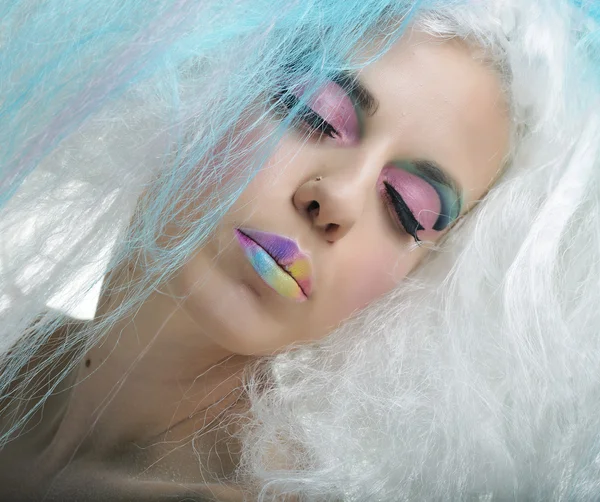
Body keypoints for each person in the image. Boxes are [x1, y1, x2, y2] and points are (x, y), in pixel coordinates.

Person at [0, 0, 599, 500]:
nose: (337, 200)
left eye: (407, 209)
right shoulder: (15, 360)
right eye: (314, 111)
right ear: (200, 71)